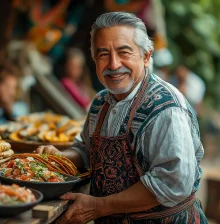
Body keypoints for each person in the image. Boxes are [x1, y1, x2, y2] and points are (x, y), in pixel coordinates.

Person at [36, 12, 207, 223]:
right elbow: (87, 150)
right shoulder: (100, 102)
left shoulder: (167, 109)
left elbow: (171, 184)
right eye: (103, 54)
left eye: (123, 52)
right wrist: (59, 157)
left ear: (146, 56)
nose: (114, 64)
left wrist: (99, 206)